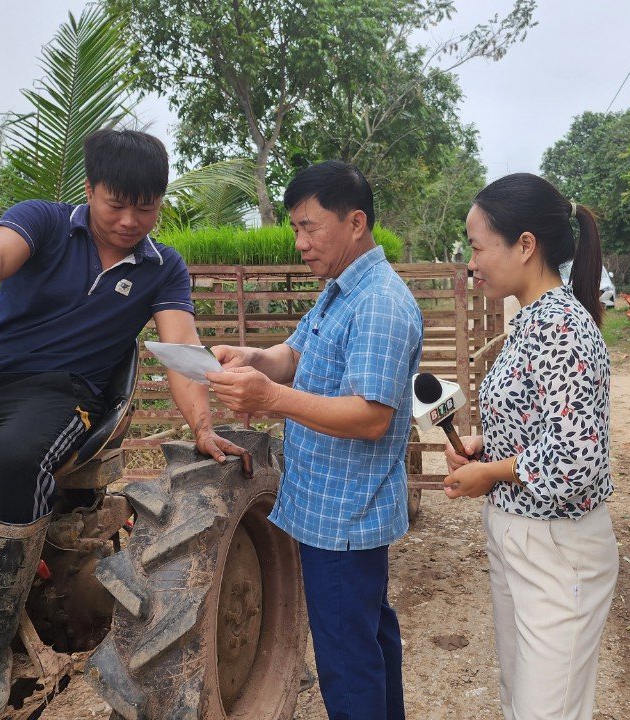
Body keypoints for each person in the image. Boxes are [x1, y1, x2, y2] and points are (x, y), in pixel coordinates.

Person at [0, 129, 246, 720]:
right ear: (89, 190)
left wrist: (200, 424)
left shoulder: (162, 269)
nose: (129, 220)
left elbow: (180, 347)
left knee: (16, 460)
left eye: (145, 207)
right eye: (115, 204)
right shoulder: (41, 221)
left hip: (63, 394)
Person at [207, 160, 422, 720]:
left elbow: (371, 416)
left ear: (355, 223)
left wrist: (269, 398)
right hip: (332, 511)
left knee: (348, 666)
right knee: (369, 640)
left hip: (345, 519)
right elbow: (297, 355)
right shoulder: (340, 291)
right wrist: (258, 361)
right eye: (296, 228)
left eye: (310, 227)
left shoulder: (379, 302)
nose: (300, 242)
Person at [442, 173, 617, 720]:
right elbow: (540, 424)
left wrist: (492, 473)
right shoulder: (530, 321)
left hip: (556, 549)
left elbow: (576, 457)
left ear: (524, 245)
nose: (472, 263)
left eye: (477, 247)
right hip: (524, 540)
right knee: (522, 703)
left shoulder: (563, 327)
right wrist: (485, 445)